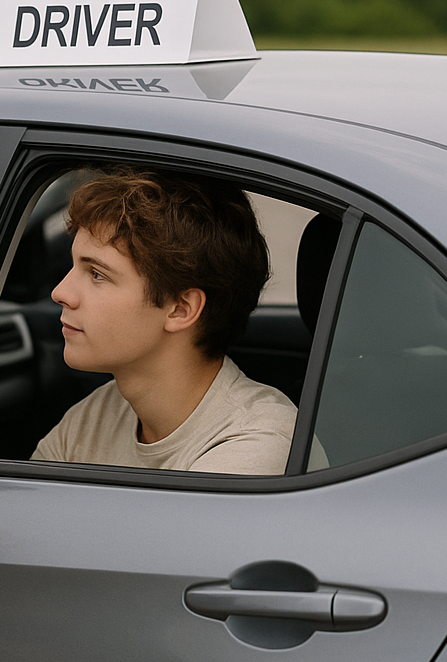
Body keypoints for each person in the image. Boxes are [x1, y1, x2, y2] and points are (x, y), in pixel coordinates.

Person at [31, 168, 297, 475]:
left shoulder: (255, 444)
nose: (60, 292)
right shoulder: (94, 418)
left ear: (180, 309)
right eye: (74, 265)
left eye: (96, 274)